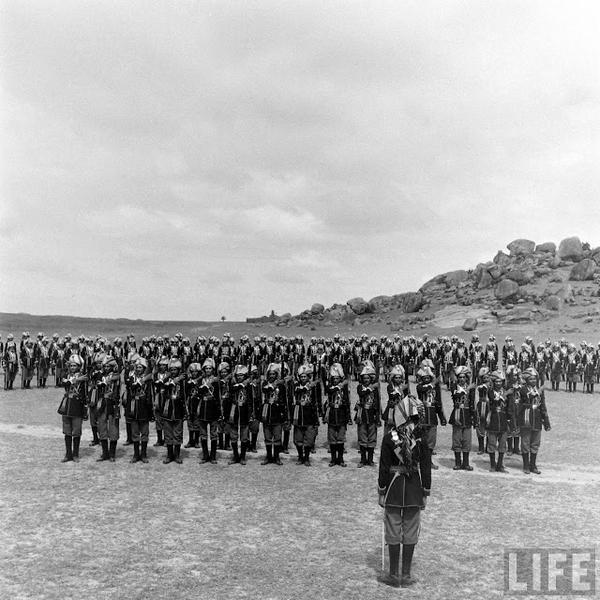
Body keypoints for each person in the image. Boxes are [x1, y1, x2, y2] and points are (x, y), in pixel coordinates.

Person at [378, 397, 431, 588]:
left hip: (393, 487)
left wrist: (381, 490)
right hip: (414, 489)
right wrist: (425, 490)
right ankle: (406, 575)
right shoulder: (421, 438)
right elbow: (425, 467)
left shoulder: (389, 438)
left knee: (393, 530)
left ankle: (393, 575)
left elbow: (384, 467)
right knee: (410, 530)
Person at [516, 368, 551, 474]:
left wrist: (546, 421)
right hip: (526, 418)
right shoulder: (522, 389)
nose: (533, 381)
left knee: (535, 443)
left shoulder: (538, 390)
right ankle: (526, 465)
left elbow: (542, 406)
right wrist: (538, 391)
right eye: (531, 379)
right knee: (526, 443)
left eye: (535, 379)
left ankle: (533, 465)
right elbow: (527, 399)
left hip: (537, 419)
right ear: (526, 380)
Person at [57, 355, 88, 462]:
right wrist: (75, 380)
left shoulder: (83, 377)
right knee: (67, 431)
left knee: (76, 431)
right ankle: (68, 454)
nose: (73, 367)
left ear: (79, 366)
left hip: (77, 405)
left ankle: (75, 454)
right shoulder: (67, 374)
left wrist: (85, 408)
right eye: (71, 365)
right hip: (67, 405)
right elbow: (63, 383)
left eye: (75, 365)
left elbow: (85, 393)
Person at [124, 357, 154, 464]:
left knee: (144, 432)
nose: (138, 369)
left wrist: (150, 410)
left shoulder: (148, 380)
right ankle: (136, 454)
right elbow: (129, 386)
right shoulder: (131, 377)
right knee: (135, 432)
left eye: (140, 367)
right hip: (133, 406)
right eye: (137, 367)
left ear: (144, 368)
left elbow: (150, 395)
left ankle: (144, 454)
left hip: (144, 407)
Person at [291, 364, 321, 466]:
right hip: (298, 414)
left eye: (305, 376)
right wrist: (307, 386)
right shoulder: (296, 386)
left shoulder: (313, 387)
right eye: (301, 377)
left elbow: (317, 400)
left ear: (308, 377)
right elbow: (298, 391)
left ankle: (307, 458)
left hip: (310, 415)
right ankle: (300, 457)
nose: (303, 378)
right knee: (298, 439)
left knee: (309, 439)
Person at [259, 363, 288, 465]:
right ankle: (268, 456)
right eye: (270, 374)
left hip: (277, 412)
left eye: (273, 374)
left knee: (277, 437)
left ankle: (276, 457)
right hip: (266, 412)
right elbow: (265, 390)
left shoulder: (281, 386)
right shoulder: (264, 384)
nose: (272, 376)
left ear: (277, 375)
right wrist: (273, 385)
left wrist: (284, 415)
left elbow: (284, 400)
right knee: (267, 437)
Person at [323, 363, 351, 467]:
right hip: (331, 415)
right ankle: (333, 459)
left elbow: (347, 402)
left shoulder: (344, 388)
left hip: (341, 414)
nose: (335, 380)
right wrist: (340, 385)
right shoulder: (330, 387)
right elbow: (329, 390)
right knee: (332, 439)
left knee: (340, 439)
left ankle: (341, 459)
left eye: (337, 378)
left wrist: (348, 416)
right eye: (334, 379)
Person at [160, 359, 187, 464]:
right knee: (168, 433)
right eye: (171, 369)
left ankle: (177, 455)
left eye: (175, 369)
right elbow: (162, 386)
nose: (173, 371)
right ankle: (169, 455)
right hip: (167, 408)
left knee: (177, 433)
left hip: (178, 409)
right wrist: (173, 381)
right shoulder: (166, 378)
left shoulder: (183, 380)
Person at [95, 355, 121, 462]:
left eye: (108, 366)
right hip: (102, 403)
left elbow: (115, 389)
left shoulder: (116, 376)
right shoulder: (100, 375)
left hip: (112, 404)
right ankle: (105, 453)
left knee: (113, 428)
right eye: (105, 366)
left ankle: (112, 454)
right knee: (102, 427)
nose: (106, 368)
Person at [449, 366, 475, 471]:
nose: (462, 379)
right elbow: (456, 396)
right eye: (460, 377)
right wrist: (467, 389)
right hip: (457, 414)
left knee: (466, 440)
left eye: (464, 377)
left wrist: (474, 417)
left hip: (467, 415)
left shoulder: (470, 388)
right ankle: (458, 463)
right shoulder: (454, 386)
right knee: (457, 439)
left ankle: (466, 463)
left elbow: (472, 403)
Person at [355, 362, 381, 467]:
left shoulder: (375, 389)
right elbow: (362, 393)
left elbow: (377, 403)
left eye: (368, 378)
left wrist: (378, 416)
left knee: (372, 437)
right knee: (362, 437)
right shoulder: (359, 387)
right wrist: (371, 387)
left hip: (372, 415)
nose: (366, 380)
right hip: (362, 414)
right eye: (364, 378)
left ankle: (370, 460)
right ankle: (362, 460)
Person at [485, 370, 511, 473]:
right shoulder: (490, 392)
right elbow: (494, 401)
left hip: (503, 420)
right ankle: (492, 464)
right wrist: (505, 395)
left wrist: (509, 419)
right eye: (496, 381)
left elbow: (509, 406)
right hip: (493, 420)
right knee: (491, 444)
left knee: (502, 445)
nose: (498, 383)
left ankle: (500, 465)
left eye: (500, 381)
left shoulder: (505, 392)